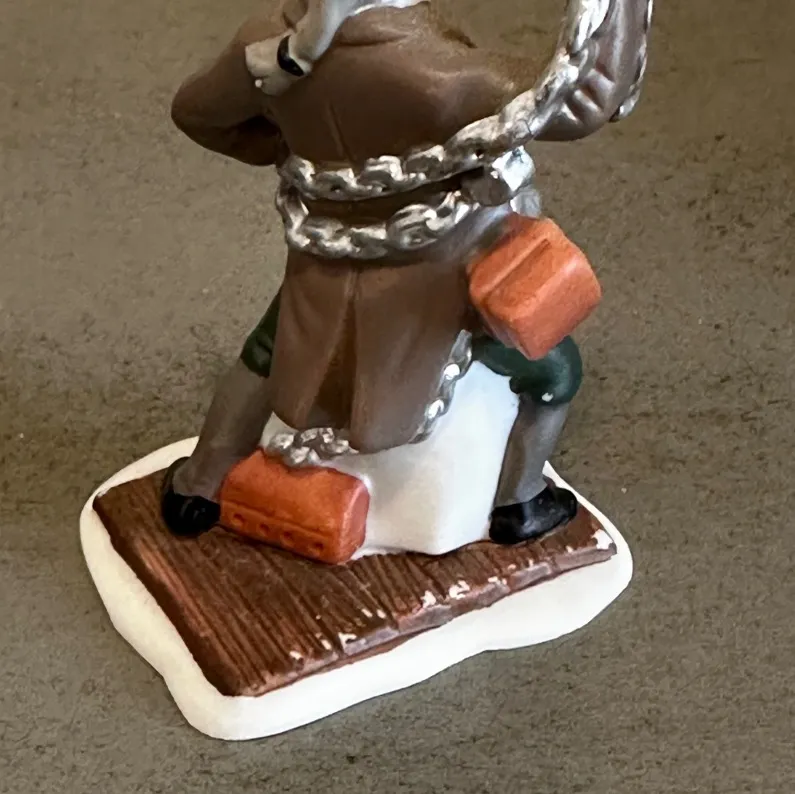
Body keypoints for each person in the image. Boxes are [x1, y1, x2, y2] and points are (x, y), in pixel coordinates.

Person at [161, 0, 646, 543]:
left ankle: (199, 482)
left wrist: (298, 154)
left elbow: (197, 113)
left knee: (266, 351)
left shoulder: (264, 40)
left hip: (322, 266)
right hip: (441, 278)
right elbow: (586, 98)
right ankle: (522, 499)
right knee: (556, 372)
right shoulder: (442, 77)